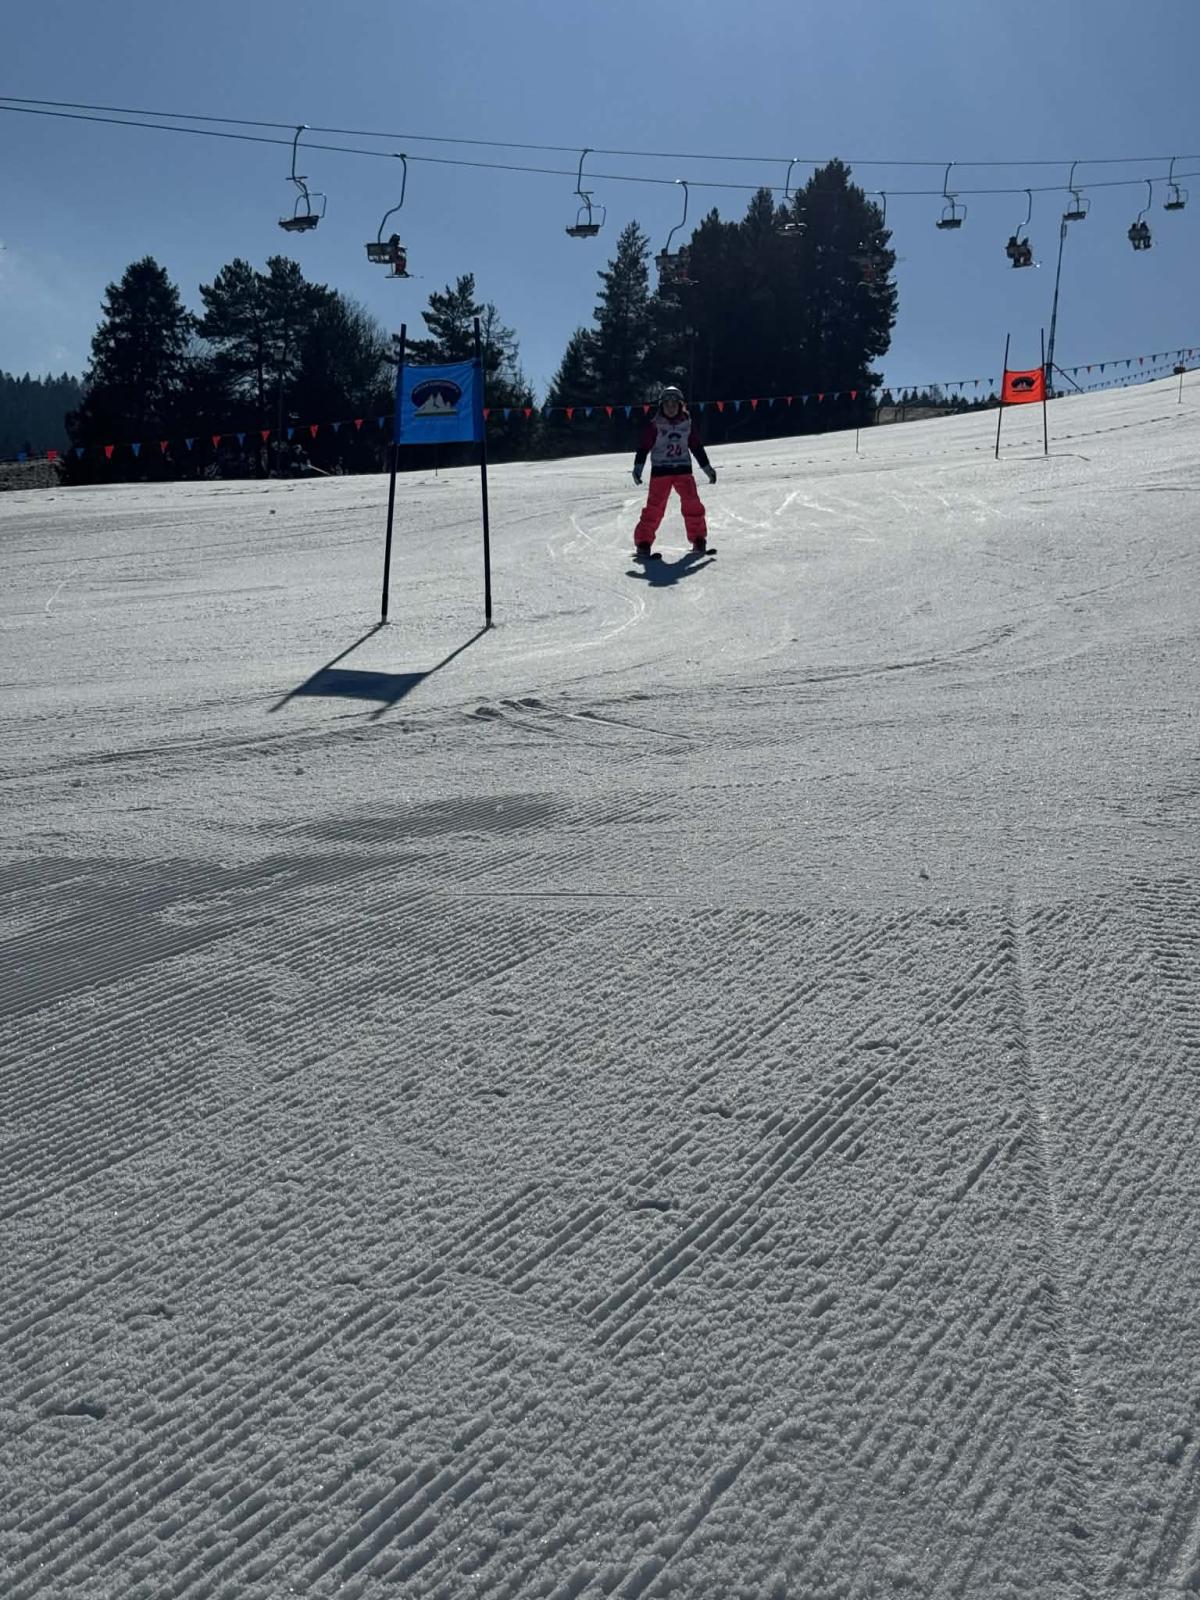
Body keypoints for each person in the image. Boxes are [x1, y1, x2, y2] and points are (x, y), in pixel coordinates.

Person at [631, 385, 716, 557]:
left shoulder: (687, 424)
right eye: (667, 404)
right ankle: (643, 542)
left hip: (683, 470)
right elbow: (644, 447)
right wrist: (638, 467)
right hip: (660, 472)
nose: (670, 408)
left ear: (680, 405)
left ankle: (698, 539)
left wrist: (707, 468)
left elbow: (696, 447)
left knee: (692, 504)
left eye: (674, 404)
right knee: (655, 507)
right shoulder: (655, 425)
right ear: (661, 406)